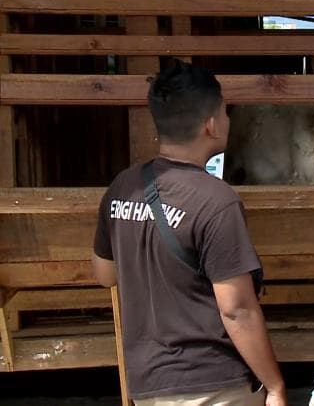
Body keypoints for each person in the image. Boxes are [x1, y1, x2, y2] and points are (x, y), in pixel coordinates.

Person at [92, 60, 287, 406]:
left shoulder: (123, 187)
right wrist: (274, 386)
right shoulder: (216, 200)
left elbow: (105, 273)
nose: (227, 120)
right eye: (225, 113)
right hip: (213, 387)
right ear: (211, 125)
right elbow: (237, 310)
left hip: (148, 386)